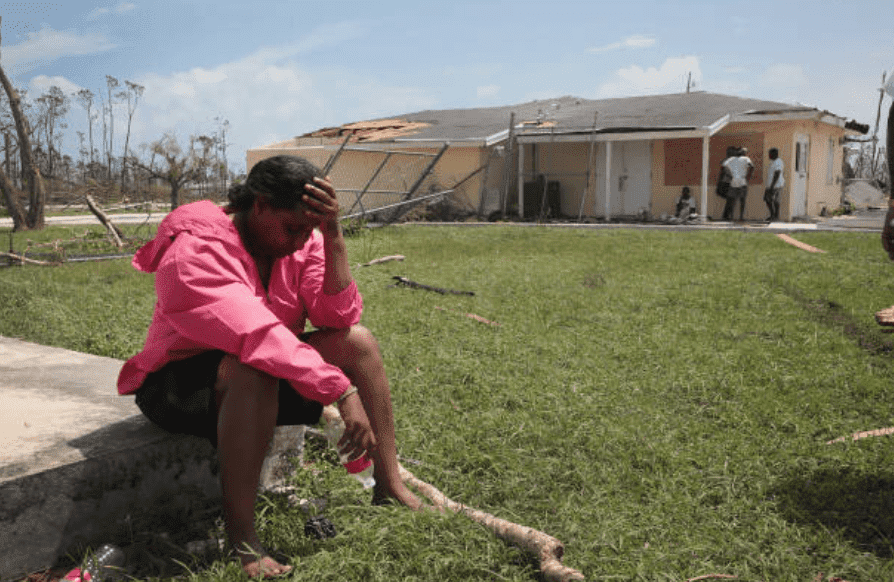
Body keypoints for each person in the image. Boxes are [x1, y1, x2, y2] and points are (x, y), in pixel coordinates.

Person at [117, 155, 421, 578]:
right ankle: (243, 539)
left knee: (358, 342)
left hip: (265, 372)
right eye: (293, 228)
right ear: (258, 205)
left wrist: (332, 236)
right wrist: (340, 391)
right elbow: (255, 336)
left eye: (309, 230)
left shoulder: (303, 241)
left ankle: (389, 484)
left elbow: (337, 317)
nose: (300, 241)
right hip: (179, 387)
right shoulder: (194, 250)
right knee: (252, 367)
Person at [721, 146, 754, 221]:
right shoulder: (746, 159)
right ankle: (741, 217)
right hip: (742, 181)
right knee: (742, 200)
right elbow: (752, 166)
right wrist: (748, 177)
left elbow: (723, 166)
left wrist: (729, 175)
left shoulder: (731, 159)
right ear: (744, 153)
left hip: (734, 181)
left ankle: (732, 217)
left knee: (733, 200)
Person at [763, 147, 784, 221]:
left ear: (774, 154)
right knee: (767, 199)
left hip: (776, 185)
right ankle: (772, 215)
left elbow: (777, 173)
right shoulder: (772, 162)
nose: (769, 155)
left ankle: (776, 216)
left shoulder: (778, 161)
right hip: (770, 185)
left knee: (775, 200)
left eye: (770, 154)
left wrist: (772, 186)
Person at [717, 146, 737, 220]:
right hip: (726, 183)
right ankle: (726, 216)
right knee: (731, 199)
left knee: (731, 200)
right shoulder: (726, 161)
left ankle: (727, 216)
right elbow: (723, 172)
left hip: (731, 183)